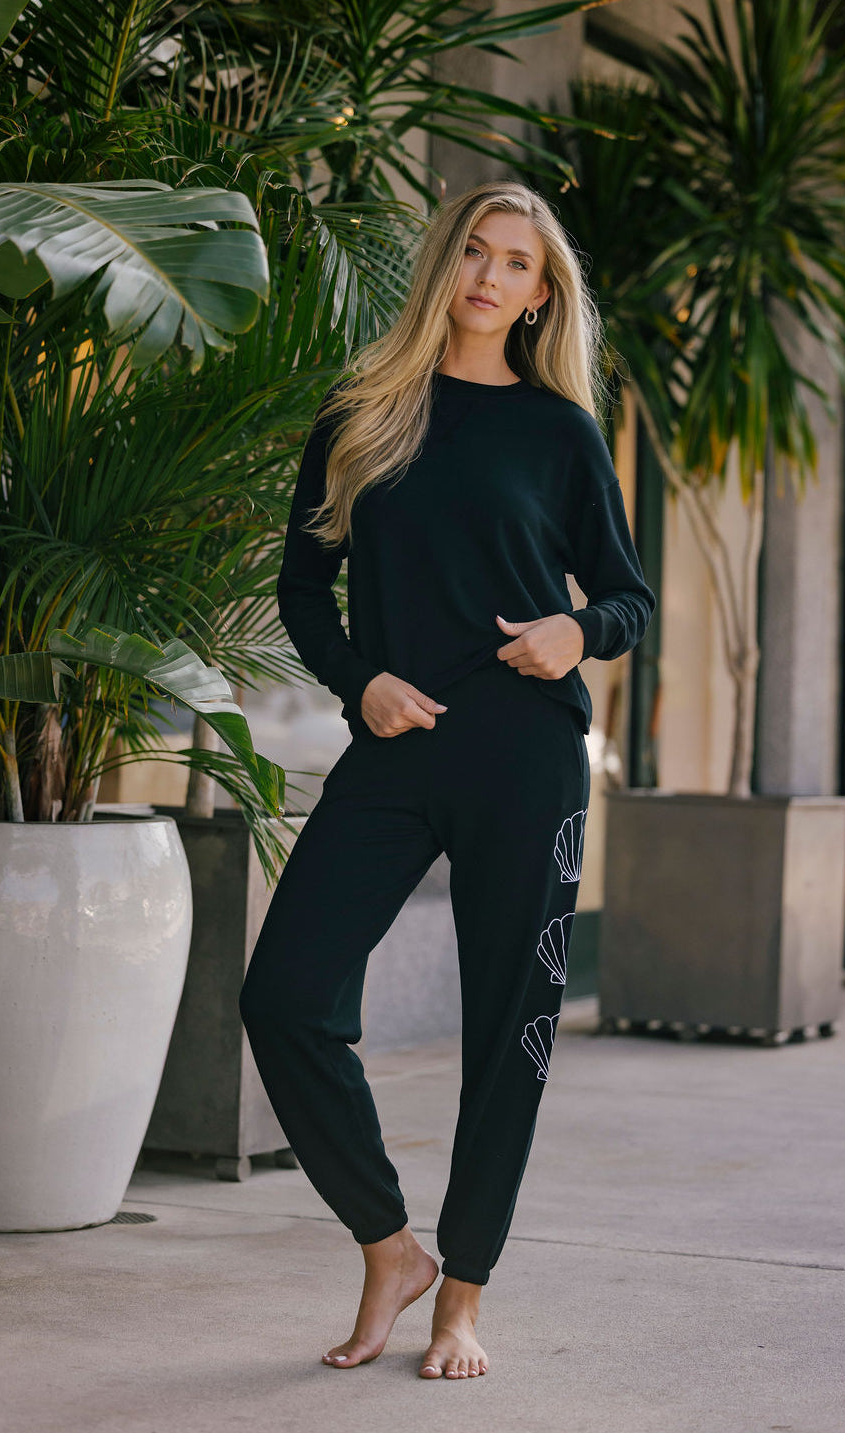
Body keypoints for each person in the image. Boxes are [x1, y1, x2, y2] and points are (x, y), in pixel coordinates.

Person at [239, 179, 656, 1381]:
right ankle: (388, 1243)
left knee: (505, 1035)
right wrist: (358, 681)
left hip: (527, 755)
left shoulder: (561, 432)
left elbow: (625, 594)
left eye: (516, 263)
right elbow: (304, 588)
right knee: (287, 995)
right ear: (446, 264)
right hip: (397, 744)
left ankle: (461, 1297)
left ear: (540, 295)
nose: (489, 275)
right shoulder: (367, 410)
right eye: (474, 250)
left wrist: (577, 635)